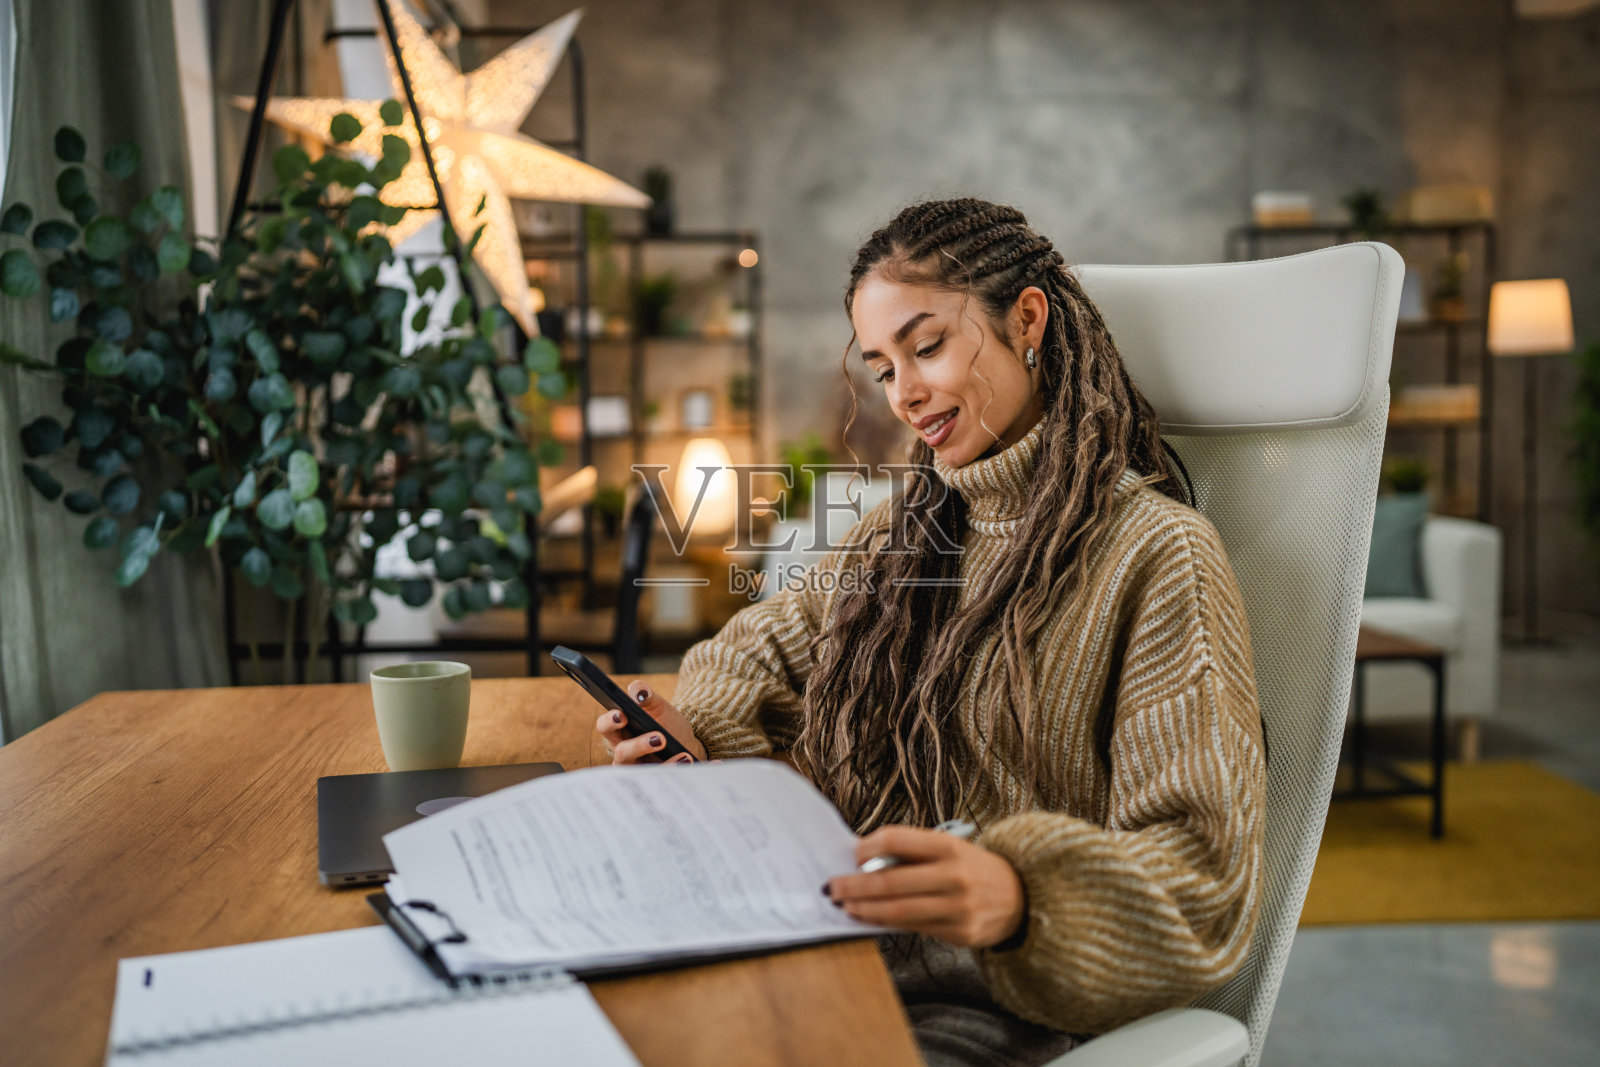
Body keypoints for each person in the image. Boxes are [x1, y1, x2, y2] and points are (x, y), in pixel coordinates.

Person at [595, 197, 1266, 1066]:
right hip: (826, 950)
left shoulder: (1158, 554)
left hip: (987, 1014)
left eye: (927, 346)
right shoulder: (905, 529)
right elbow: (760, 642)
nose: (904, 395)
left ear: (1027, 318)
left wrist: (1022, 893)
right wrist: (696, 725)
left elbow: (1203, 878)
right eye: (881, 367)